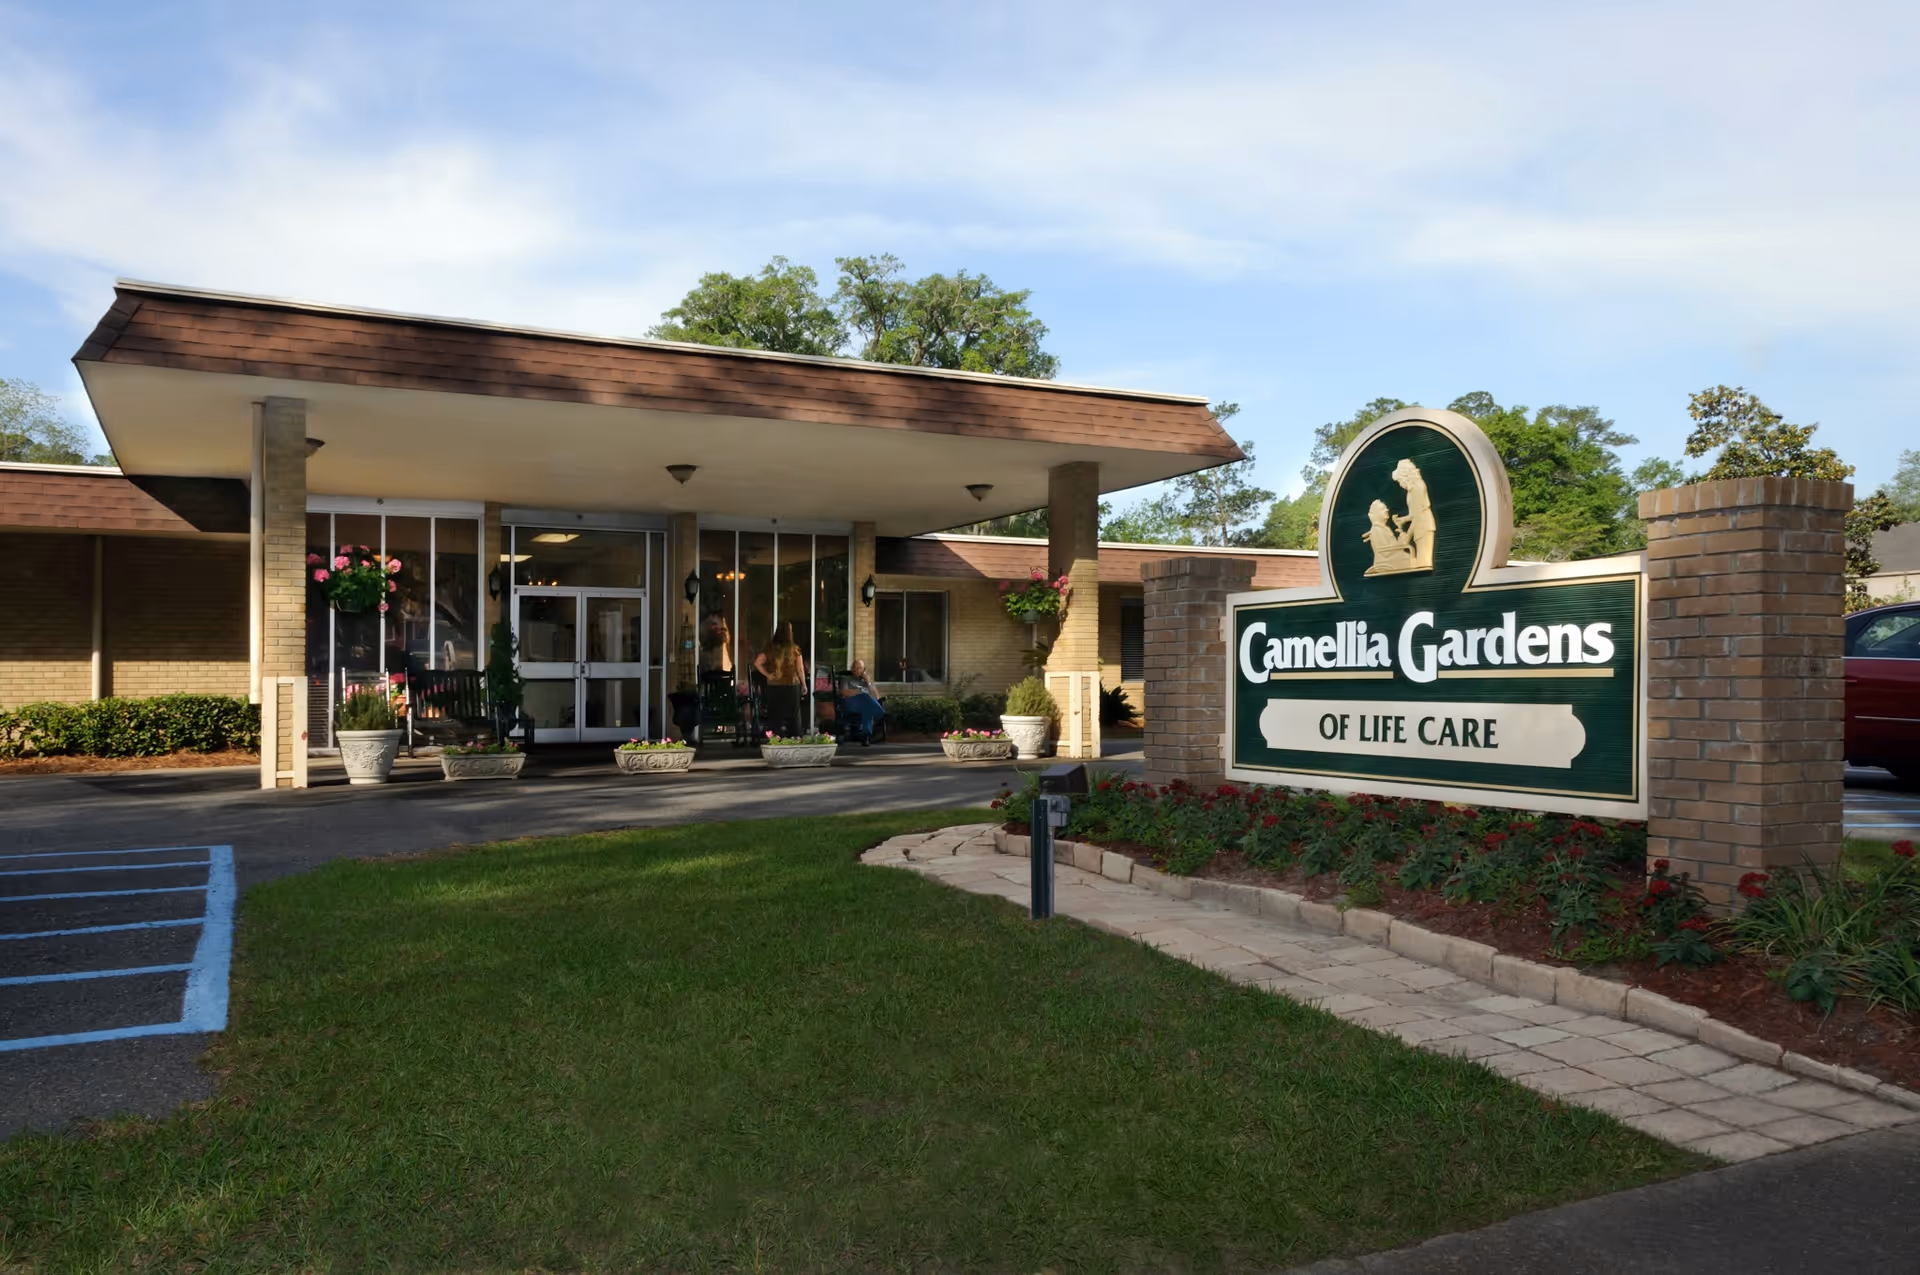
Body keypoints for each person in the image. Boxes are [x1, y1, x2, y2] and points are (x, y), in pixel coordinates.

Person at [754, 621, 808, 736]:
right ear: (789, 633)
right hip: (791, 685)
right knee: (794, 715)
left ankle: (775, 740)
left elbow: (757, 663)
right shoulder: (794, 649)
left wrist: (768, 675)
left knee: (775, 715)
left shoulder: (770, 648)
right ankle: (795, 739)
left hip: (775, 686)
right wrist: (804, 685)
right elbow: (800, 669)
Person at [1391, 458, 1436, 570]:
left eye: (1399, 480)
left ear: (1405, 476)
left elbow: (1418, 516)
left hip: (1424, 526)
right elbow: (1414, 514)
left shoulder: (1417, 488)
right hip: (1421, 526)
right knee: (1421, 562)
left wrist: (1408, 536)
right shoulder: (1413, 489)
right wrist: (1403, 520)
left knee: (1424, 563)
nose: (1400, 484)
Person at [838, 658, 887, 742]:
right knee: (865, 696)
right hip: (851, 704)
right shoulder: (846, 679)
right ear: (852, 669)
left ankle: (866, 736)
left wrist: (868, 682)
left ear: (864, 670)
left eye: (860, 668)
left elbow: (876, 697)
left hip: (864, 705)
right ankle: (881, 713)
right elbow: (844, 692)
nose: (858, 670)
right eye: (856, 668)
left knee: (867, 708)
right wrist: (859, 692)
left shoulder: (866, 682)